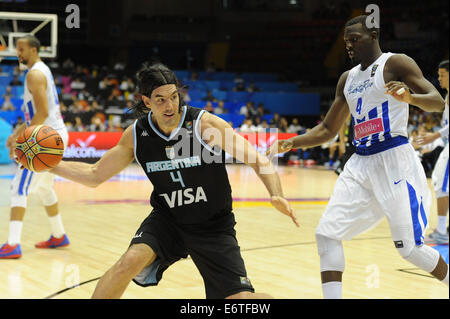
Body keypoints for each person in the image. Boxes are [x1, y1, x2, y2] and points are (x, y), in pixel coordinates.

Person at [49, 62, 298, 299]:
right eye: (160, 100)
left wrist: (276, 194)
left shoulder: (204, 125)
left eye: (174, 97)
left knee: (241, 300)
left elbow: (258, 159)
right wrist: (49, 165)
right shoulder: (137, 135)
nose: (170, 105)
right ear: (146, 102)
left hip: (213, 226)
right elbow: (94, 176)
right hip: (168, 221)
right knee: (128, 262)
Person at [267, 15, 449, 298]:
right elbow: (328, 129)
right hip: (360, 163)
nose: (349, 46)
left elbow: (436, 101)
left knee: (410, 250)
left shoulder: (395, 63)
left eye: (355, 39)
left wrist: (410, 97)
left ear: (373, 35)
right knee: (326, 235)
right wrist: (292, 142)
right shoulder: (346, 79)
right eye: (346, 42)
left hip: (394, 159)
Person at [0, 35, 70, 259]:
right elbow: (35, 113)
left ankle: (12, 244)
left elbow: (42, 113)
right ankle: (59, 235)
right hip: (53, 134)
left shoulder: (35, 74)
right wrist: (16, 133)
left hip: (45, 139)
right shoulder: (40, 70)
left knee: (18, 186)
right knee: (43, 188)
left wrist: (21, 139)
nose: (17, 53)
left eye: (21, 49)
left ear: (34, 49)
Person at [417, 60, 449, 244]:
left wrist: (433, 136)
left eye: (442, 75)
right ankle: (443, 228)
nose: (439, 79)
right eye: (438, 75)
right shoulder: (446, 97)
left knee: (440, 185)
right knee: (441, 185)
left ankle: (442, 231)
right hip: (447, 145)